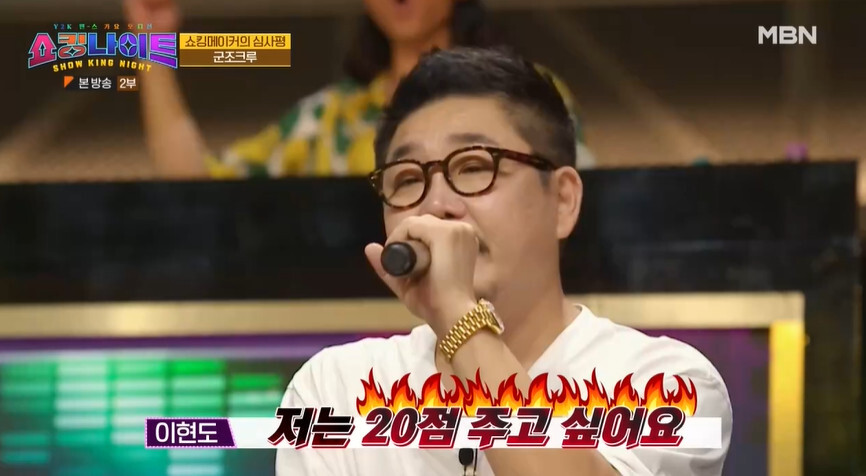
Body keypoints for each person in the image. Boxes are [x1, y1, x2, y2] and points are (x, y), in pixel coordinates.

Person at [276, 47, 732, 475]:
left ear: (563, 201)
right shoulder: (335, 390)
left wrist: (460, 319)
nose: (435, 205)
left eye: (475, 167)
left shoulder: (665, 383)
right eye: (408, 178)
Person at [124, 0, 594, 180]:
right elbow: (193, 183)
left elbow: (591, 209)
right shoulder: (329, 120)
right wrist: (151, 42)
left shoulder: (526, 95)